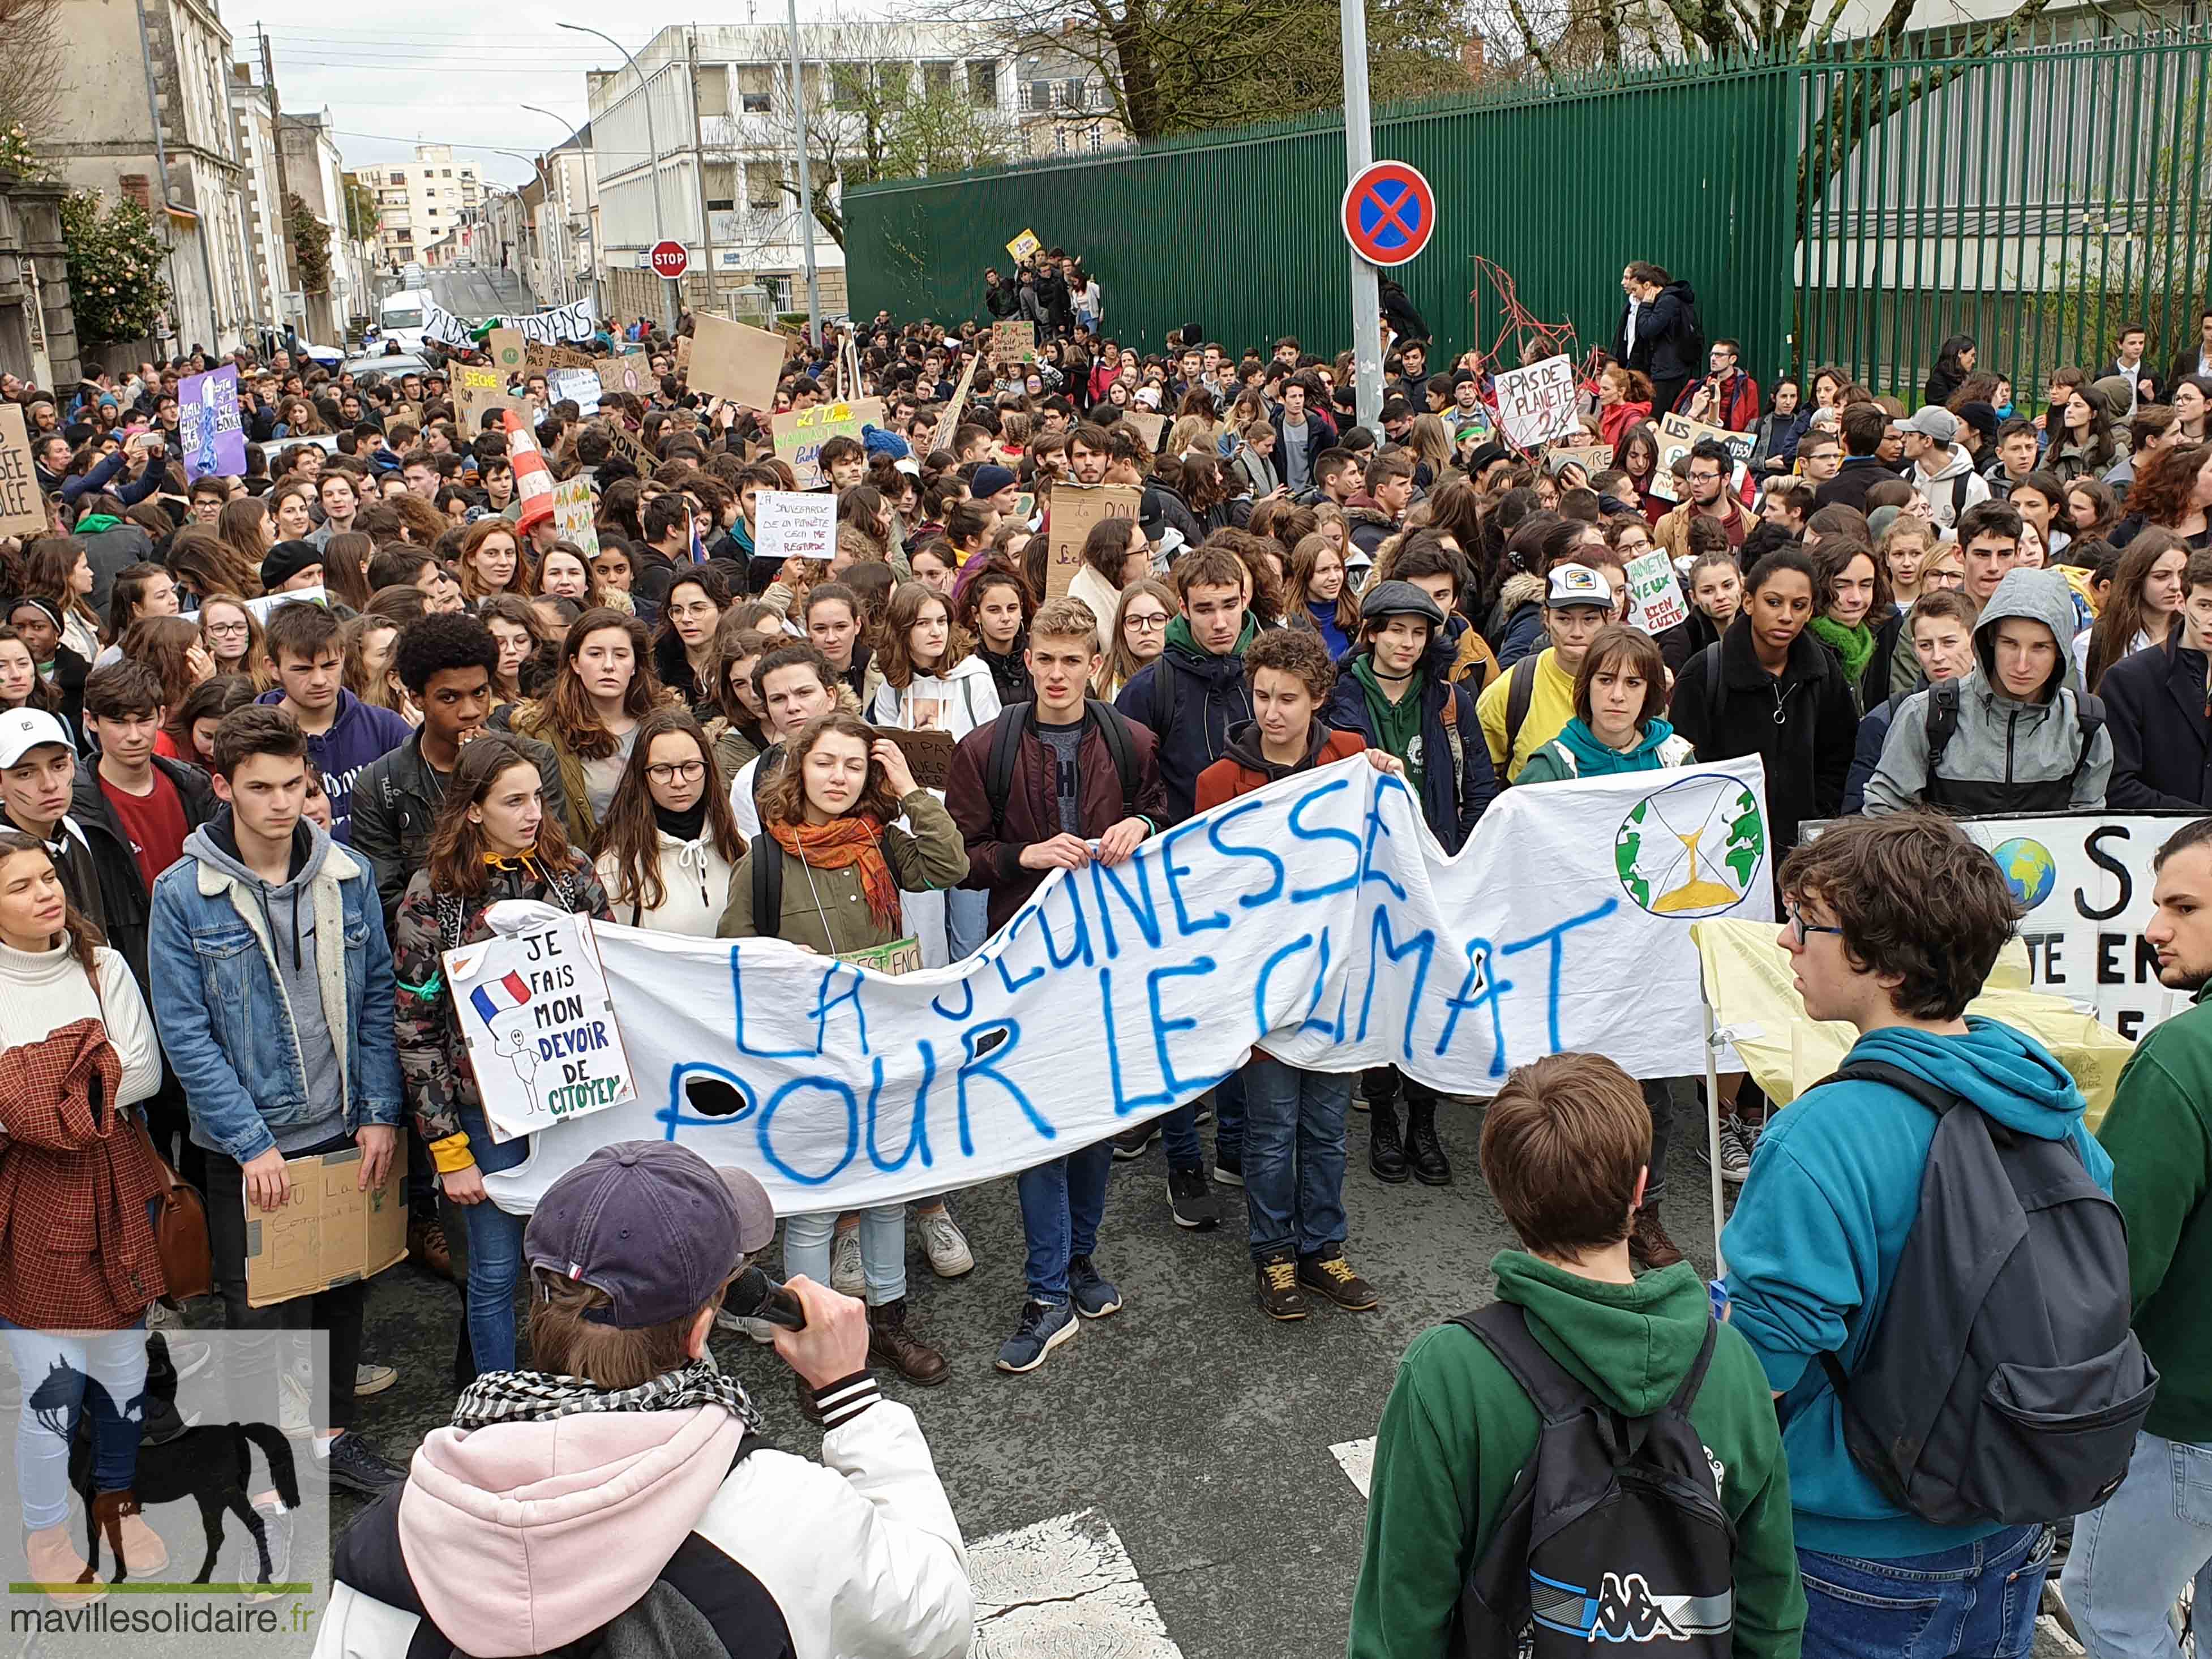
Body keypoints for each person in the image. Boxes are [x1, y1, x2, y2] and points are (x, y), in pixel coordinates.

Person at [1723, 813, 2127, 1659]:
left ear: (1887, 960)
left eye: (1810, 923)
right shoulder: (2041, 1095)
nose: (1787, 940)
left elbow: (1758, 1379)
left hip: (1858, 1551)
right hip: (2012, 1513)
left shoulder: (1819, 1135)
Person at [316, 1141, 975, 1659]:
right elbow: (939, 1618)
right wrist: (852, 1400)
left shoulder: (396, 1533)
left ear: (541, 1305)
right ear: (698, 1333)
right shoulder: (784, 1511)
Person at [1348, 1049, 1803, 1659]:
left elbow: (1399, 1616)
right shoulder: (1729, 1362)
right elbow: (1770, 1604)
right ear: (1640, 1186)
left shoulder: (1449, 1372)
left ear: (1499, 1189)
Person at [148, 705, 409, 1510]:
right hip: (250, 1140)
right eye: (259, 787)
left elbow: (374, 998)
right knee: (260, 1305)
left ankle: (328, 1438)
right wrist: (250, 1141)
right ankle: (270, 1453)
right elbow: (184, 1033)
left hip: (341, 1122)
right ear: (223, 786)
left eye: (294, 783)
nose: (281, 802)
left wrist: (378, 1108)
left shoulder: (349, 873)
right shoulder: (184, 893)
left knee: (340, 1290)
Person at [715, 711, 967, 1393]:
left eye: (855, 766)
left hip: (880, 1048)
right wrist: (772, 959)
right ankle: (812, 1340)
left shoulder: (880, 842)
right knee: (818, 1203)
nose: (839, 777)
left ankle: (885, 1320)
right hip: (806, 1059)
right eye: (826, 762)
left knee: (886, 1190)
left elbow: (950, 865)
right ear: (800, 769)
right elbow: (729, 954)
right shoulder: (763, 859)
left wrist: (911, 789)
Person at [944, 596, 1163, 1371]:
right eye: (1047, 657)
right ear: (1026, 659)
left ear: (1097, 664)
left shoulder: (1130, 738)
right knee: (1041, 1125)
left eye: (1076, 659)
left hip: (1109, 960)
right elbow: (959, 855)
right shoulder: (984, 748)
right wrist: (1022, 857)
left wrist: (1145, 823)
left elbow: (1160, 815)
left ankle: (1079, 1259)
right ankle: (1045, 1290)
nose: (1061, 672)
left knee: (1097, 1119)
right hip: (1025, 964)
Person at [392, 735, 614, 1382]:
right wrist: (447, 1149)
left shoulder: (571, 873)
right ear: (472, 809)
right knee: (493, 1273)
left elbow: (613, 979)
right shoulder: (432, 894)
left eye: (537, 798)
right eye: (512, 801)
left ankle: (578, 1386)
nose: (532, 814)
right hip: (483, 1119)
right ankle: (497, 1403)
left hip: (574, 1108)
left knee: (575, 1266)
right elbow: (415, 1025)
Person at [1197, 627, 1394, 1319]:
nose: (1272, 711)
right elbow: (1210, 894)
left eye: (1287, 698)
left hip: (1337, 986)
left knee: (1326, 1129)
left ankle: (1324, 1249)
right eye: (1261, 696)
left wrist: (1386, 780)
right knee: (1271, 1130)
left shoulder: (1350, 762)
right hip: (1264, 990)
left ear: (1317, 700)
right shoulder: (1218, 783)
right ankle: (1273, 1256)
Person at [0, 829, 173, 1599]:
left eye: (49, 876)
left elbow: (141, 1073)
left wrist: (40, 1083)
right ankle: (44, 1527)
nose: (46, 892)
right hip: (30, 1197)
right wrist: (84, 1068)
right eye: (21, 884)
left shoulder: (101, 964)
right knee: (53, 1385)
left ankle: (117, 1496)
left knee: (122, 1365)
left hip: (114, 1183)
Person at [2061, 817, 2212, 1659]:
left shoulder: (2183, 1057)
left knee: (2107, 1606)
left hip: (2187, 1417)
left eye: (2182, 906)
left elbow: (2112, 1265)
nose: (2153, 926)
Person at [1322, 581, 1499, 1186]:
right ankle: (1380, 1119)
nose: (1404, 642)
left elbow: (1479, 784)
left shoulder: (1450, 700)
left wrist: (1464, 858)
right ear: (1369, 632)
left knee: (1431, 991)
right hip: (1367, 875)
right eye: (1393, 629)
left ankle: (1422, 1121)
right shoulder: (1337, 699)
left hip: (1434, 870)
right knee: (1378, 993)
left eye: (1417, 632)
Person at [350, 612, 572, 928]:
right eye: (449, 698)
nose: (470, 711)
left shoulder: (535, 760)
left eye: (480, 693)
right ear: (417, 698)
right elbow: (386, 903)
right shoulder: (380, 784)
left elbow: (554, 859)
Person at [1866, 565, 2112, 814]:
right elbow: (1885, 811)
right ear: (1990, 640)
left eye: (2040, 647)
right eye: (2010, 644)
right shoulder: (1926, 714)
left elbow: (2088, 822)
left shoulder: (2083, 725)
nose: (2022, 664)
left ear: (2060, 652)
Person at [1669, 546, 1858, 857]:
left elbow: (1840, 755)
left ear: (1811, 611)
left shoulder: (1823, 670)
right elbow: (1684, 768)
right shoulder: (1704, 673)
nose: (1786, 616)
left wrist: (1818, 816)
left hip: (1803, 851)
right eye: (1773, 602)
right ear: (1749, 602)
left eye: (1799, 606)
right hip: (1725, 850)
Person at [869, 580, 1003, 961]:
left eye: (942, 621)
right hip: (914, 822)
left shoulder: (973, 676)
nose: (936, 631)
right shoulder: (892, 686)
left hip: (967, 818)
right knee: (922, 930)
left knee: (969, 935)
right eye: (923, 623)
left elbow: (992, 743)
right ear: (902, 630)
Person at [71, 660, 218, 999]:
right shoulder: (76, 808)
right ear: (91, 721)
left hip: (206, 957)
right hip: (131, 975)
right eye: (118, 723)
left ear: (162, 717)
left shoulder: (194, 786)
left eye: (144, 721)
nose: (134, 736)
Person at [254, 601, 411, 842]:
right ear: (273, 668)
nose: (319, 680)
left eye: (329, 666)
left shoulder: (385, 728)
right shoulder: (253, 738)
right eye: (302, 670)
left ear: (343, 656)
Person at [504, 607, 658, 846]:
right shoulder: (543, 735)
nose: (609, 665)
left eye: (620, 655)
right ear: (575, 663)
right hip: (586, 869)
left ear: (636, 664)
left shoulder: (664, 726)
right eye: (595, 654)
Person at [593, 705, 744, 935]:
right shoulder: (618, 866)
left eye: (691, 767)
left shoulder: (740, 845)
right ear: (642, 776)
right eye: (662, 770)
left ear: (708, 769)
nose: (679, 781)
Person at [1477, 561, 1617, 782]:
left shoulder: (1630, 686)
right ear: (1547, 619)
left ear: (1607, 621)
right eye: (1564, 619)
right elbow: (1479, 778)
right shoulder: (1513, 688)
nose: (1577, 632)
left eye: (1589, 620)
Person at [1842, 588, 1978, 814]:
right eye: (1926, 645)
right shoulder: (1883, 721)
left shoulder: (2002, 711)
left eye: (1948, 643)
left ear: (1973, 643)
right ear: (1914, 648)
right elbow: (1858, 816)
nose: (1937, 656)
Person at [2104, 548, 2212, 809]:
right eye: (2206, 605)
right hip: (2157, 842)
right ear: (2182, 602)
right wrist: (2199, 823)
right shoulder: (2129, 680)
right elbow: (2118, 787)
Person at [727, 641, 846, 843]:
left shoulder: (875, 760)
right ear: (768, 710)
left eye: (804, 693)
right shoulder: (751, 779)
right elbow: (752, 853)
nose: (792, 707)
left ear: (831, 696)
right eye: (778, 699)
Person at [2082, 528, 2189, 691]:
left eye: (2183, 575)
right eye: (2161, 576)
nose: (2176, 586)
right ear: (2137, 578)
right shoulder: (2093, 640)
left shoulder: (2197, 633)